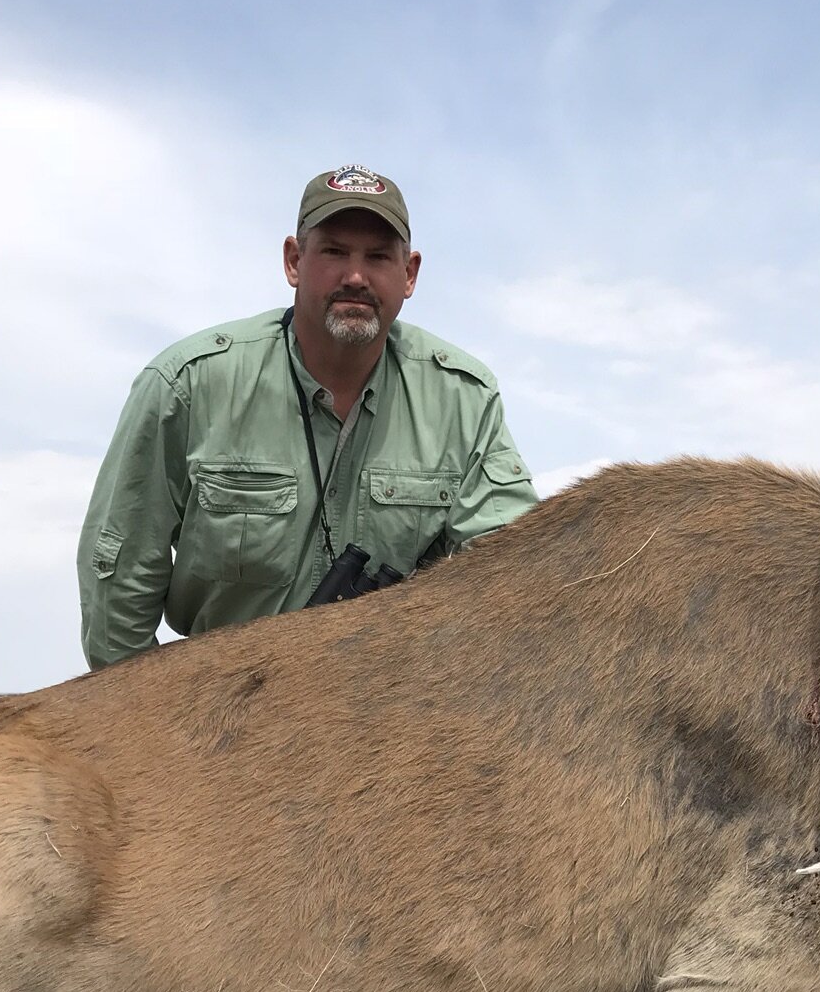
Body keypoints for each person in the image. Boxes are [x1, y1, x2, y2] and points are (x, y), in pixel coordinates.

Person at [78, 164, 538, 669]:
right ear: (294, 261)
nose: (356, 277)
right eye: (334, 252)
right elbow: (119, 583)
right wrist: (147, 729)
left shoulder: (465, 399)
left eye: (378, 257)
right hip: (218, 711)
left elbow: (514, 575)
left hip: (392, 710)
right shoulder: (186, 384)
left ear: (409, 275)